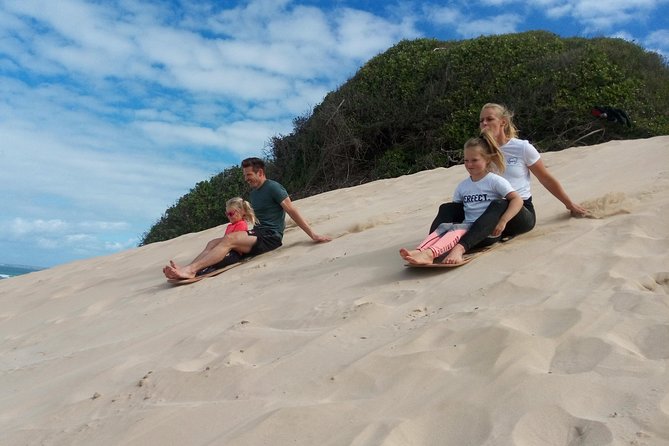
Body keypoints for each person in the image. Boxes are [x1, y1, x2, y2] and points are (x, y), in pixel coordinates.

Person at [429, 103, 589, 263]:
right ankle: (429, 247)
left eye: (489, 119)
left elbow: (545, 178)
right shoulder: (480, 150)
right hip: (483, 209)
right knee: (448, 208)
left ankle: (460, 248)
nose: (484, 123)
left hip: (518, 211)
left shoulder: (522, 148)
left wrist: (569, 204)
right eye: (481, 120)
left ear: (503, 122)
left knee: (500, 203)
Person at [163, 157, 331, 280]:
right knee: (213, 243)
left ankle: (191, 270)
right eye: (245, 175)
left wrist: (313, 235)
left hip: (270, 237)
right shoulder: (254, 193)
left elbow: (291, 210)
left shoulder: (273, 187)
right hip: (257, 233)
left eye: (249, 175)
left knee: (229, 239)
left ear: (260, 172)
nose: (246, 178)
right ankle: (187, 269)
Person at [400, 131, 523, 265]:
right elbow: (455, 211)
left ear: (487, 159)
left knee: (456, 229)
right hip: (466, 227)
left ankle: (432, 253)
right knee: (444, 226)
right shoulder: (463, 186)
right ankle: (421, 250)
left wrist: (503, 221)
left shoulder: (495, 181)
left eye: (475, 160)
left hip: (484, 232)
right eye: (466, 160)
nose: (469, 164)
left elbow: (517, 199)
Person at [190, 197, 258, 276]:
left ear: (241, 212)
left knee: (216, 258)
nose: (229, 216)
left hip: (234, 254)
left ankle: (203, 268)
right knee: (211, 250)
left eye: (231, 214)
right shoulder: (230, 226)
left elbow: (234, 242)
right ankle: (192, 266)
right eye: (227, 214)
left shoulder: (241, 224)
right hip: (227, 251)